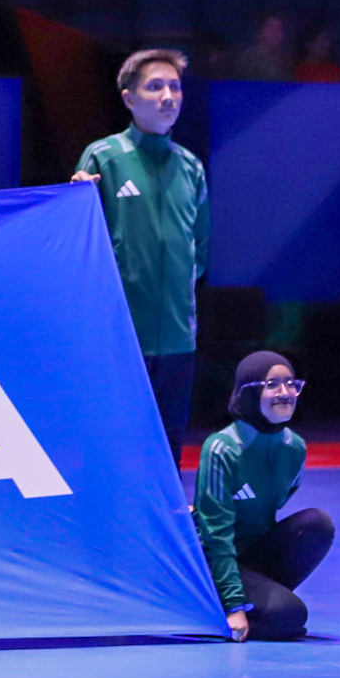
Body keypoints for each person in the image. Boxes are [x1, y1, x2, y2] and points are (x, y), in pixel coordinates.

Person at [72, 49, 209, 468]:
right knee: (113, 450)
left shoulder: (191, 168)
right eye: (155, 86)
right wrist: (74, 199)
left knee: (167, 454)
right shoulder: (103, 158)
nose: (169, 96)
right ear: (129, 98)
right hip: (118, 336)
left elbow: (198, 253)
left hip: (177, 341)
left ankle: (161, 531)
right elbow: (79, 245)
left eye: (175, 86)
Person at [194, 351, 333, 641]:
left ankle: (259, 601)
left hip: (253, 554)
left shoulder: (295, 448)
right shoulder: (222, 448)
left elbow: (279, 500)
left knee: (318, 524)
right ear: (249, 392)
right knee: (291, 616)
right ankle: (218, 609)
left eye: (291, 383)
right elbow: (216, 537)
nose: (286, 392)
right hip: (213, 560)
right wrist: (234, 606)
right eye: (272, 384)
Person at [233, 12, 290, 82]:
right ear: (260, 32)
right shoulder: (250, 56)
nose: (275, 32)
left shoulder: (284, 57)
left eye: (279, 28)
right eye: (270, 28)